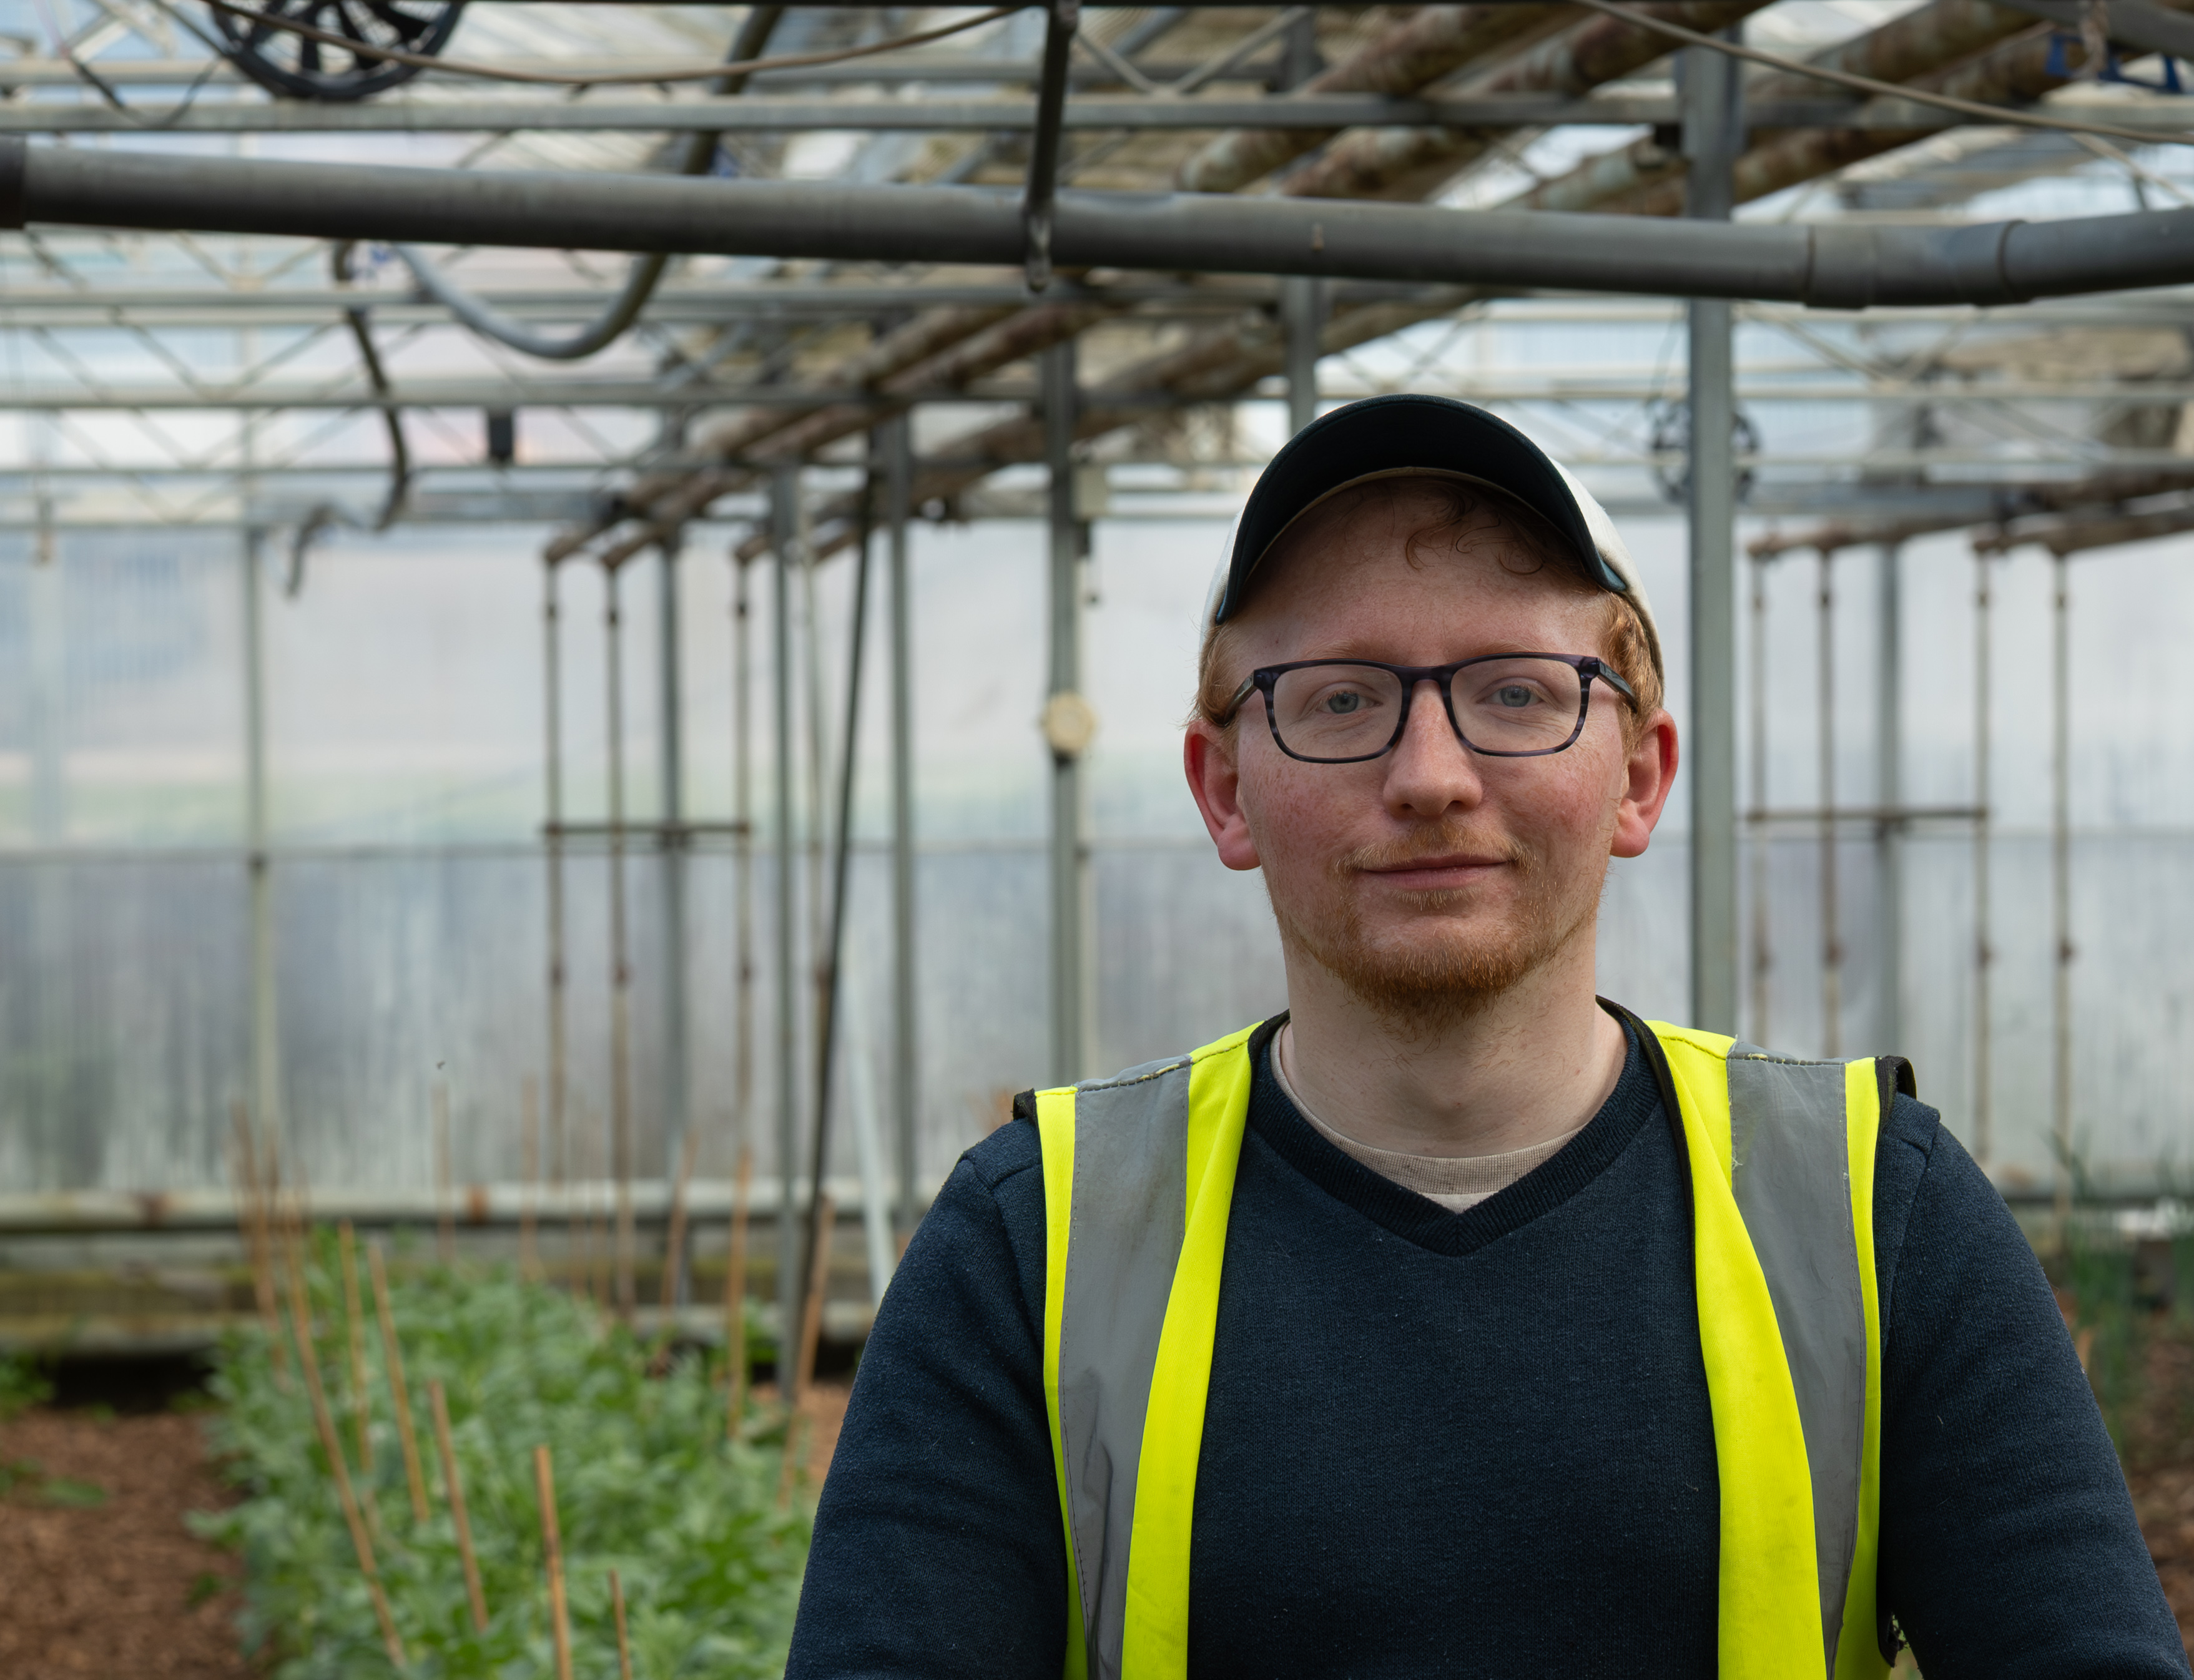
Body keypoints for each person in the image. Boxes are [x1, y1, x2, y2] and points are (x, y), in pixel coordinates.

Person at [785, 395, 2187, 1679]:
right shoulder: (1039, 1242)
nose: (1431, 777)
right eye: (1338, 697)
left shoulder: (1872, 1210)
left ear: (1637, 774)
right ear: (1223, 789)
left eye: (1515, 691)